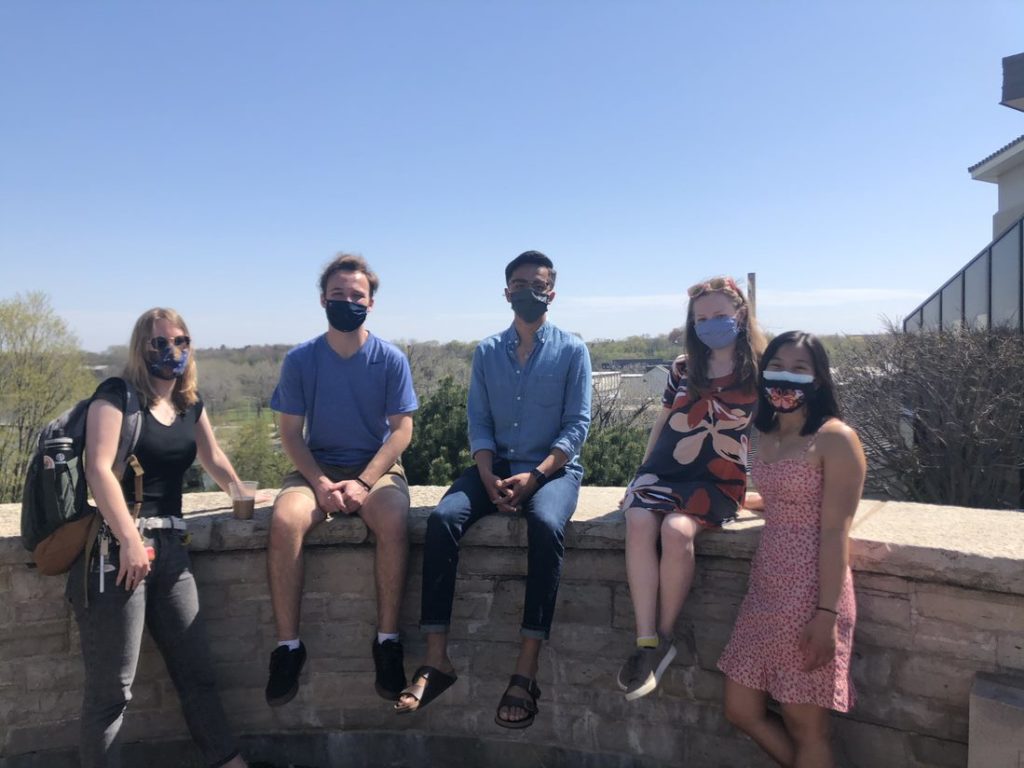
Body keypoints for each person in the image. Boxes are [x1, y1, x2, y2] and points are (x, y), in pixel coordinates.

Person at [394, 250, 592, 729]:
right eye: (519, 284)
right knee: (443, 521)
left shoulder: (572, 350)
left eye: (538, 284)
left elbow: (576, 426)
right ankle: (436, 659)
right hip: (494, 466)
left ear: (553, 291)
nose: (529, 291)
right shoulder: (486, 351)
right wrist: (485, 474)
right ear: (506, 293)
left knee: (545, 524)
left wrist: (538, 477)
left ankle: (526, 669)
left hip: (552, 471)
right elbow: (478, 421)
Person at [72, 308, 248, 768]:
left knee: (197, 675)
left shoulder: (189, 403)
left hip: (172, 552)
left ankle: (227, 762)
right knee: (114, 690)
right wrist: (130, 538)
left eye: (182, 341)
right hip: (118, 553)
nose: (172, 351)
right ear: (140, 348)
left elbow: (212, 458)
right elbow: (98, 468)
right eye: (160, 342)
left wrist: (242, 493)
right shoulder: (117, 396)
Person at [264, 253, 418, 707]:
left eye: (356, 296)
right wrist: (319, 483)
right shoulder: (301, 360)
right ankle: (288, 647)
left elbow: (402, 431)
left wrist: (365, 483)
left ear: (371, 303)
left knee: (392, 521)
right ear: (322, 300)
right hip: (317, 466)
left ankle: (387, 641)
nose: (347, 302)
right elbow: (290, 434)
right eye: (338, 295)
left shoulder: (390, 359)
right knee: (285, 521)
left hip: (377, 467)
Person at [718, 331, 865, 768]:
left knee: (808, 729)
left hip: (810, 596)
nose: (786, 378)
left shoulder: (836, 438)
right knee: (740, 709)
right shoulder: (762, 434)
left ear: (818, 379)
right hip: (765, 591)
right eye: (777, 366)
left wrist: (826, 616)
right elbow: (787, 493)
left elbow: (836, 529)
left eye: (800, 369)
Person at [618, 276, 766, 701]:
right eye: (702, 318)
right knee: (640, 520)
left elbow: (775, 436)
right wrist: (643, 473)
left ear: (740, 314)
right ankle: (645, 641)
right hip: (665, 470)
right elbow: (664, 420)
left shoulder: (758, 370)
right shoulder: (683, 368)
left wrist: (770, 489)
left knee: (677, 531)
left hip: (717, 478)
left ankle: (665, 639)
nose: (710, 323)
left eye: (720, 315)